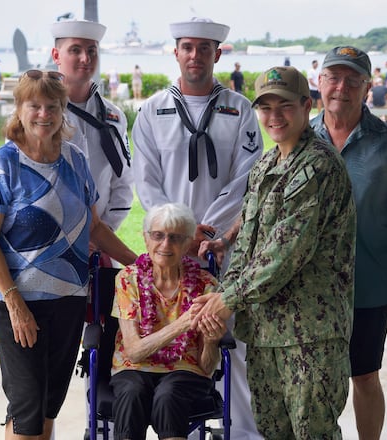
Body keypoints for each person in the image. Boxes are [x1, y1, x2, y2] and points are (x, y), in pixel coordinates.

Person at [193, 66, 356, 439]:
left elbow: (282, 256)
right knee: (271, 432)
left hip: (310, 336)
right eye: (265, 107)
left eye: (283, 106)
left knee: (312, 432)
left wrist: (224, 301)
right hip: (266, 333)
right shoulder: (267, 164)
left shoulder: (317, 166)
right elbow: (247, 242)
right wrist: (220, 293)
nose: (273, 116)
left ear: (306, 105)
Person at [0, 68, 137, 440]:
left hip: (68, 301)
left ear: (63, 110)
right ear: (19, 109)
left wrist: (139, 262)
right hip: (19, 303)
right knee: (27, 408)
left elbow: (95, 228)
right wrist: (16, 306)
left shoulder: (76, 160)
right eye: (34, 105)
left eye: (52, 106)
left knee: (49, 406)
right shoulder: (2, 165)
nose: (43, 114)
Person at [131, 16, 263, 440]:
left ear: (217, 54)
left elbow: (248, 177)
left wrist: (209, 235)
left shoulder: (239, 109)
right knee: (173, 334)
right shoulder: (152, 111)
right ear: (176, 52)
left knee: (232, 340)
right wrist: (177, 236)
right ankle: (181, 428)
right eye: (188, 47)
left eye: (204, 48)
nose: (195, 55)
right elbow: (145, 180)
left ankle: (241, 432)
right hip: (169, 248)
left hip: (224, 246)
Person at [310, 46, 387, 440]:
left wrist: (375, 239)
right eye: (333, 77)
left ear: (367, 86)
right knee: (310, 376)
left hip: (368, 284)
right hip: (307, 288)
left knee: (363, 374)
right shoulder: (299, 138)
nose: (341, 87)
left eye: (352, 79)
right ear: (319, 81)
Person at [110, 203, 227, 439]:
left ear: (187, 244)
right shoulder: (127, 279)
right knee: (132, 393)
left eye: (175, 238)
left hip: (185, 370)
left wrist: (213, 342)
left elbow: (206, 366)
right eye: (158, 235)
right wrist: (183, 323)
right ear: (146, 239)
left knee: (169, 395)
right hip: (133, 369)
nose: (165, 244)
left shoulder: (206, 286)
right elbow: (133, 352)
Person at [50, 19, 133, 259]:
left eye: (91, 51)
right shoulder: (38, 115)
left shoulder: (114, 116)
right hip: (50, 246)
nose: (85, 59)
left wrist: (101, 236)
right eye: (75, 50)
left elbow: (124, 183)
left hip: (101, 246)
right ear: (56, 55)